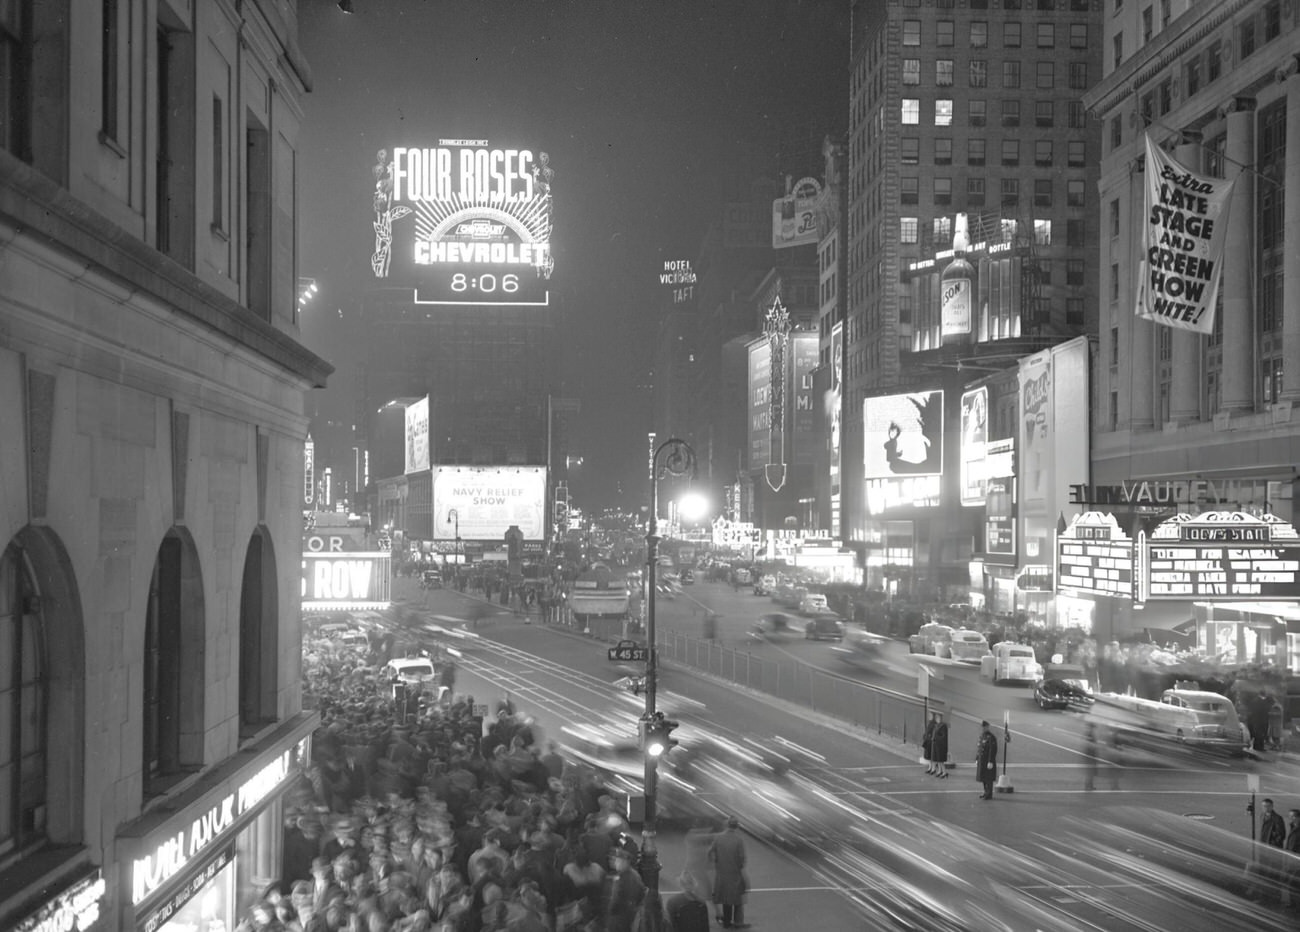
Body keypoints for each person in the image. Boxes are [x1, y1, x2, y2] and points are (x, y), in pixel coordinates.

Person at [709, 816, 749, 929]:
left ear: (727, 825)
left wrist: (717, 863)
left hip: (722, 874)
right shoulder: (738, 840)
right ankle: (738, 922)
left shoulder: (718, 838)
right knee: (737, 898)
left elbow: (710, 852)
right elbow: (742, 859)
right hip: (734, 873)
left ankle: (727, 922)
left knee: (726, 899)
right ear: (737, 826)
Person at [975, 720, 998, 800]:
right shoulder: (982, 736)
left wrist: (990, 761)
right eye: (982, 727)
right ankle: (985, 792)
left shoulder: (991, 737)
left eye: (984, 727)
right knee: (983, 777)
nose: (983, 729)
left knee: (988, 778)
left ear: (987, 727)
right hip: (982, 761)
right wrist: (977, 758)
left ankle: (989, 794)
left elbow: (993, 750)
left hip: (988, 761)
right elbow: (979, 748)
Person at [931, 714, 950, 778]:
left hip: (941, 746)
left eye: (938, 718)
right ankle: (939, 771)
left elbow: (943, 736)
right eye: (936, 718)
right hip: (936, 745)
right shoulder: (936, 725)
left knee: (941, 760)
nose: (937, 719)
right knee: (938, 759)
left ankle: (944, 772)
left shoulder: (943, 726)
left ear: (940, 718)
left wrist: (935, 737)